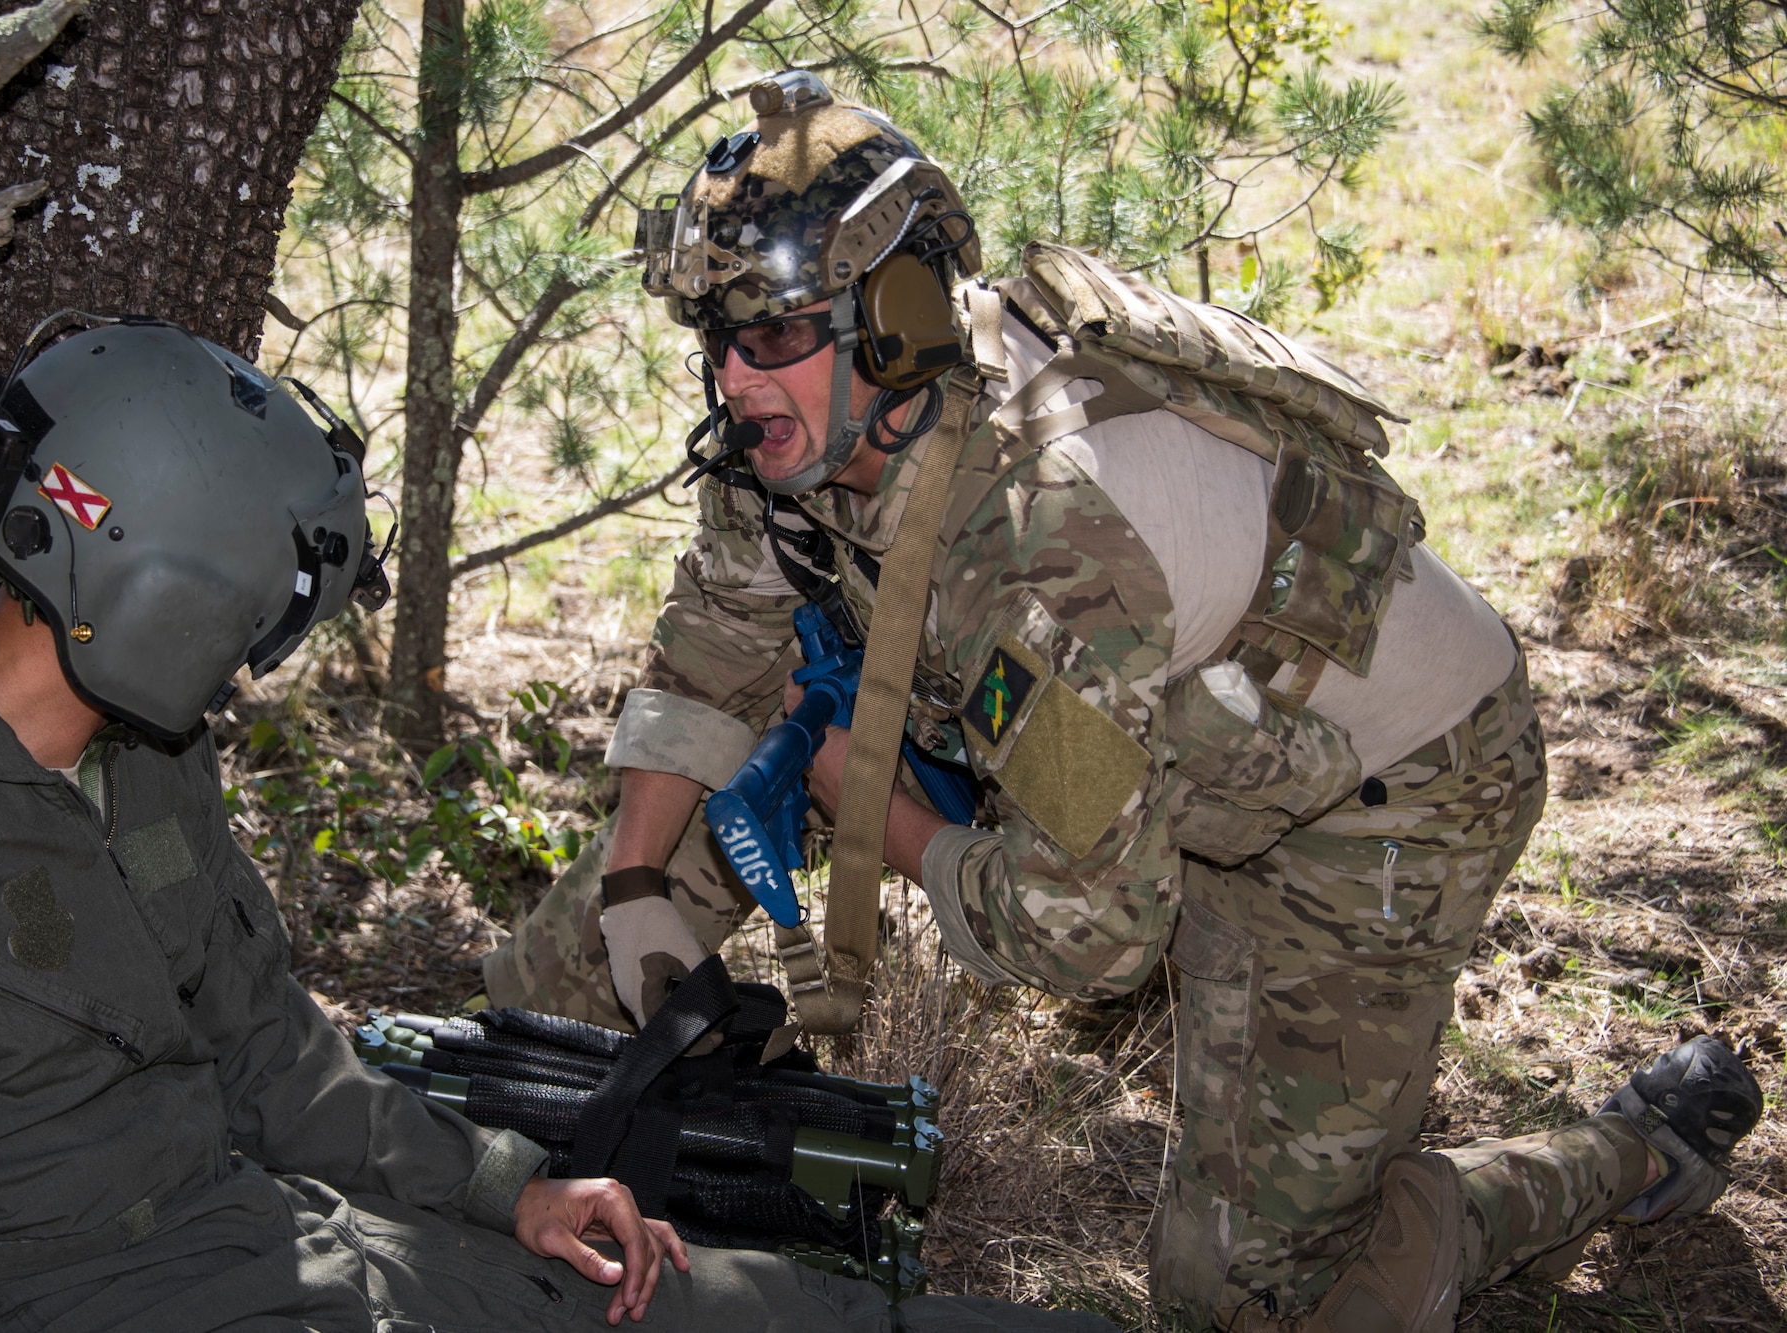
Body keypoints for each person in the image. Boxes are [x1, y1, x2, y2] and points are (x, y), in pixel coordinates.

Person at [480, 71, 1766, 1331]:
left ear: (894, 320)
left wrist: (869, 809)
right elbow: (716, 643)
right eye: (712, 341)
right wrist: (639, 888)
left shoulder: (1047, 545)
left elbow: (1085, 934)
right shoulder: (812, 428)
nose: (730, 379)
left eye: (766, 338)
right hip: (1159, 735)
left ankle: (1628, 1149)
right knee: (575, 955)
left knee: (1249, 1305)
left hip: (1381, 799)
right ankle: (496, 1132)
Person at [0, 316, 1111, 1333]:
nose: (250, 662)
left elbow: (272, 1057)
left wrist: (508, 1188)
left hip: (281, 1248)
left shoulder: (142, 762)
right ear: (155, 603)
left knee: (767, 1309)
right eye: (247, 627)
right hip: (108, 1296)